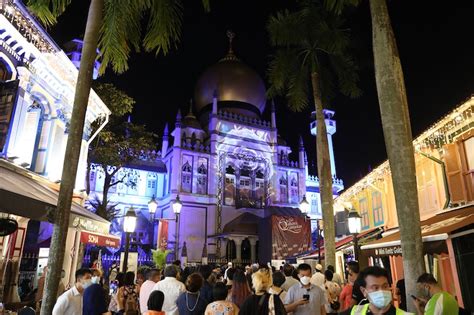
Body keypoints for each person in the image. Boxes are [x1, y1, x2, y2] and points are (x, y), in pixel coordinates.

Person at [339, 266, 413, 315]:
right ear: (364, 291)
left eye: (385, 286)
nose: (381, 291)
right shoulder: (353, 313)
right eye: (375, 288)